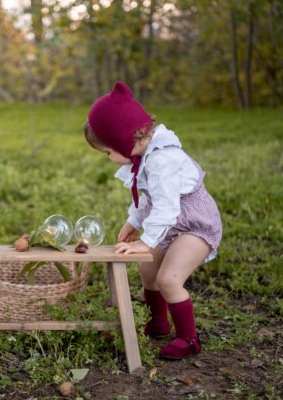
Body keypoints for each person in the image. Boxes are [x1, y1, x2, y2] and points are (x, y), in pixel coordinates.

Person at [83, 82, 222, 359]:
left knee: (169, 278)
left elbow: (167, 207)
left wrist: (146, 243)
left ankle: (188, 338)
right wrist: (134, 221)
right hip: (170, 223)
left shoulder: (163, 160)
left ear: (124, 140)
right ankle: (158, 322)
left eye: (108, 152)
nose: (109, 159)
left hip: (194, 224)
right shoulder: (145, 155)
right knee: (148, 272)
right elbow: (148, 198)